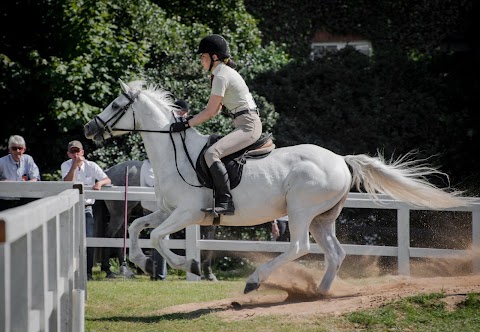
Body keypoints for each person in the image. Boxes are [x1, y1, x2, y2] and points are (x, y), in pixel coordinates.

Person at [170, 34, 262, 216]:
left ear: (214, 57)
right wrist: (190, 120)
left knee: (211, 153)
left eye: (202, 57)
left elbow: (211, 112)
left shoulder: (220, 75)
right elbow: (216, 110)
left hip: (248, 126)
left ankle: (226, 201)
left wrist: (186, 124)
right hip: (245, 123)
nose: (201, 61)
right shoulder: (222, 73)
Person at [61, 140, 111, 280]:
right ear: (69, 154)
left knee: (88, 241)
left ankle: (87, 272)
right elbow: (67, 182)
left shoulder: (91, 165)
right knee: (71, 240)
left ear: (82, 152)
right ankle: (70, 273)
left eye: (78, 151)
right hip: (70, 208)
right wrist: (74, 167)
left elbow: (107, 179)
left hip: (86, 208)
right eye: (73, 151)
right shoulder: (66, 165)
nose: (76, 154)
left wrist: (99, 183)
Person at [0, 135, 41, 210]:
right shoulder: (1, 162)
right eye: (14, 148)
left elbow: (35, 179)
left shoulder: (28, 159)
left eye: (20, 148)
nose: (17, 151)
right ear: (9, 150)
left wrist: (16, 184)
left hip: (24, 199)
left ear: (24, 149)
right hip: (5, 201)